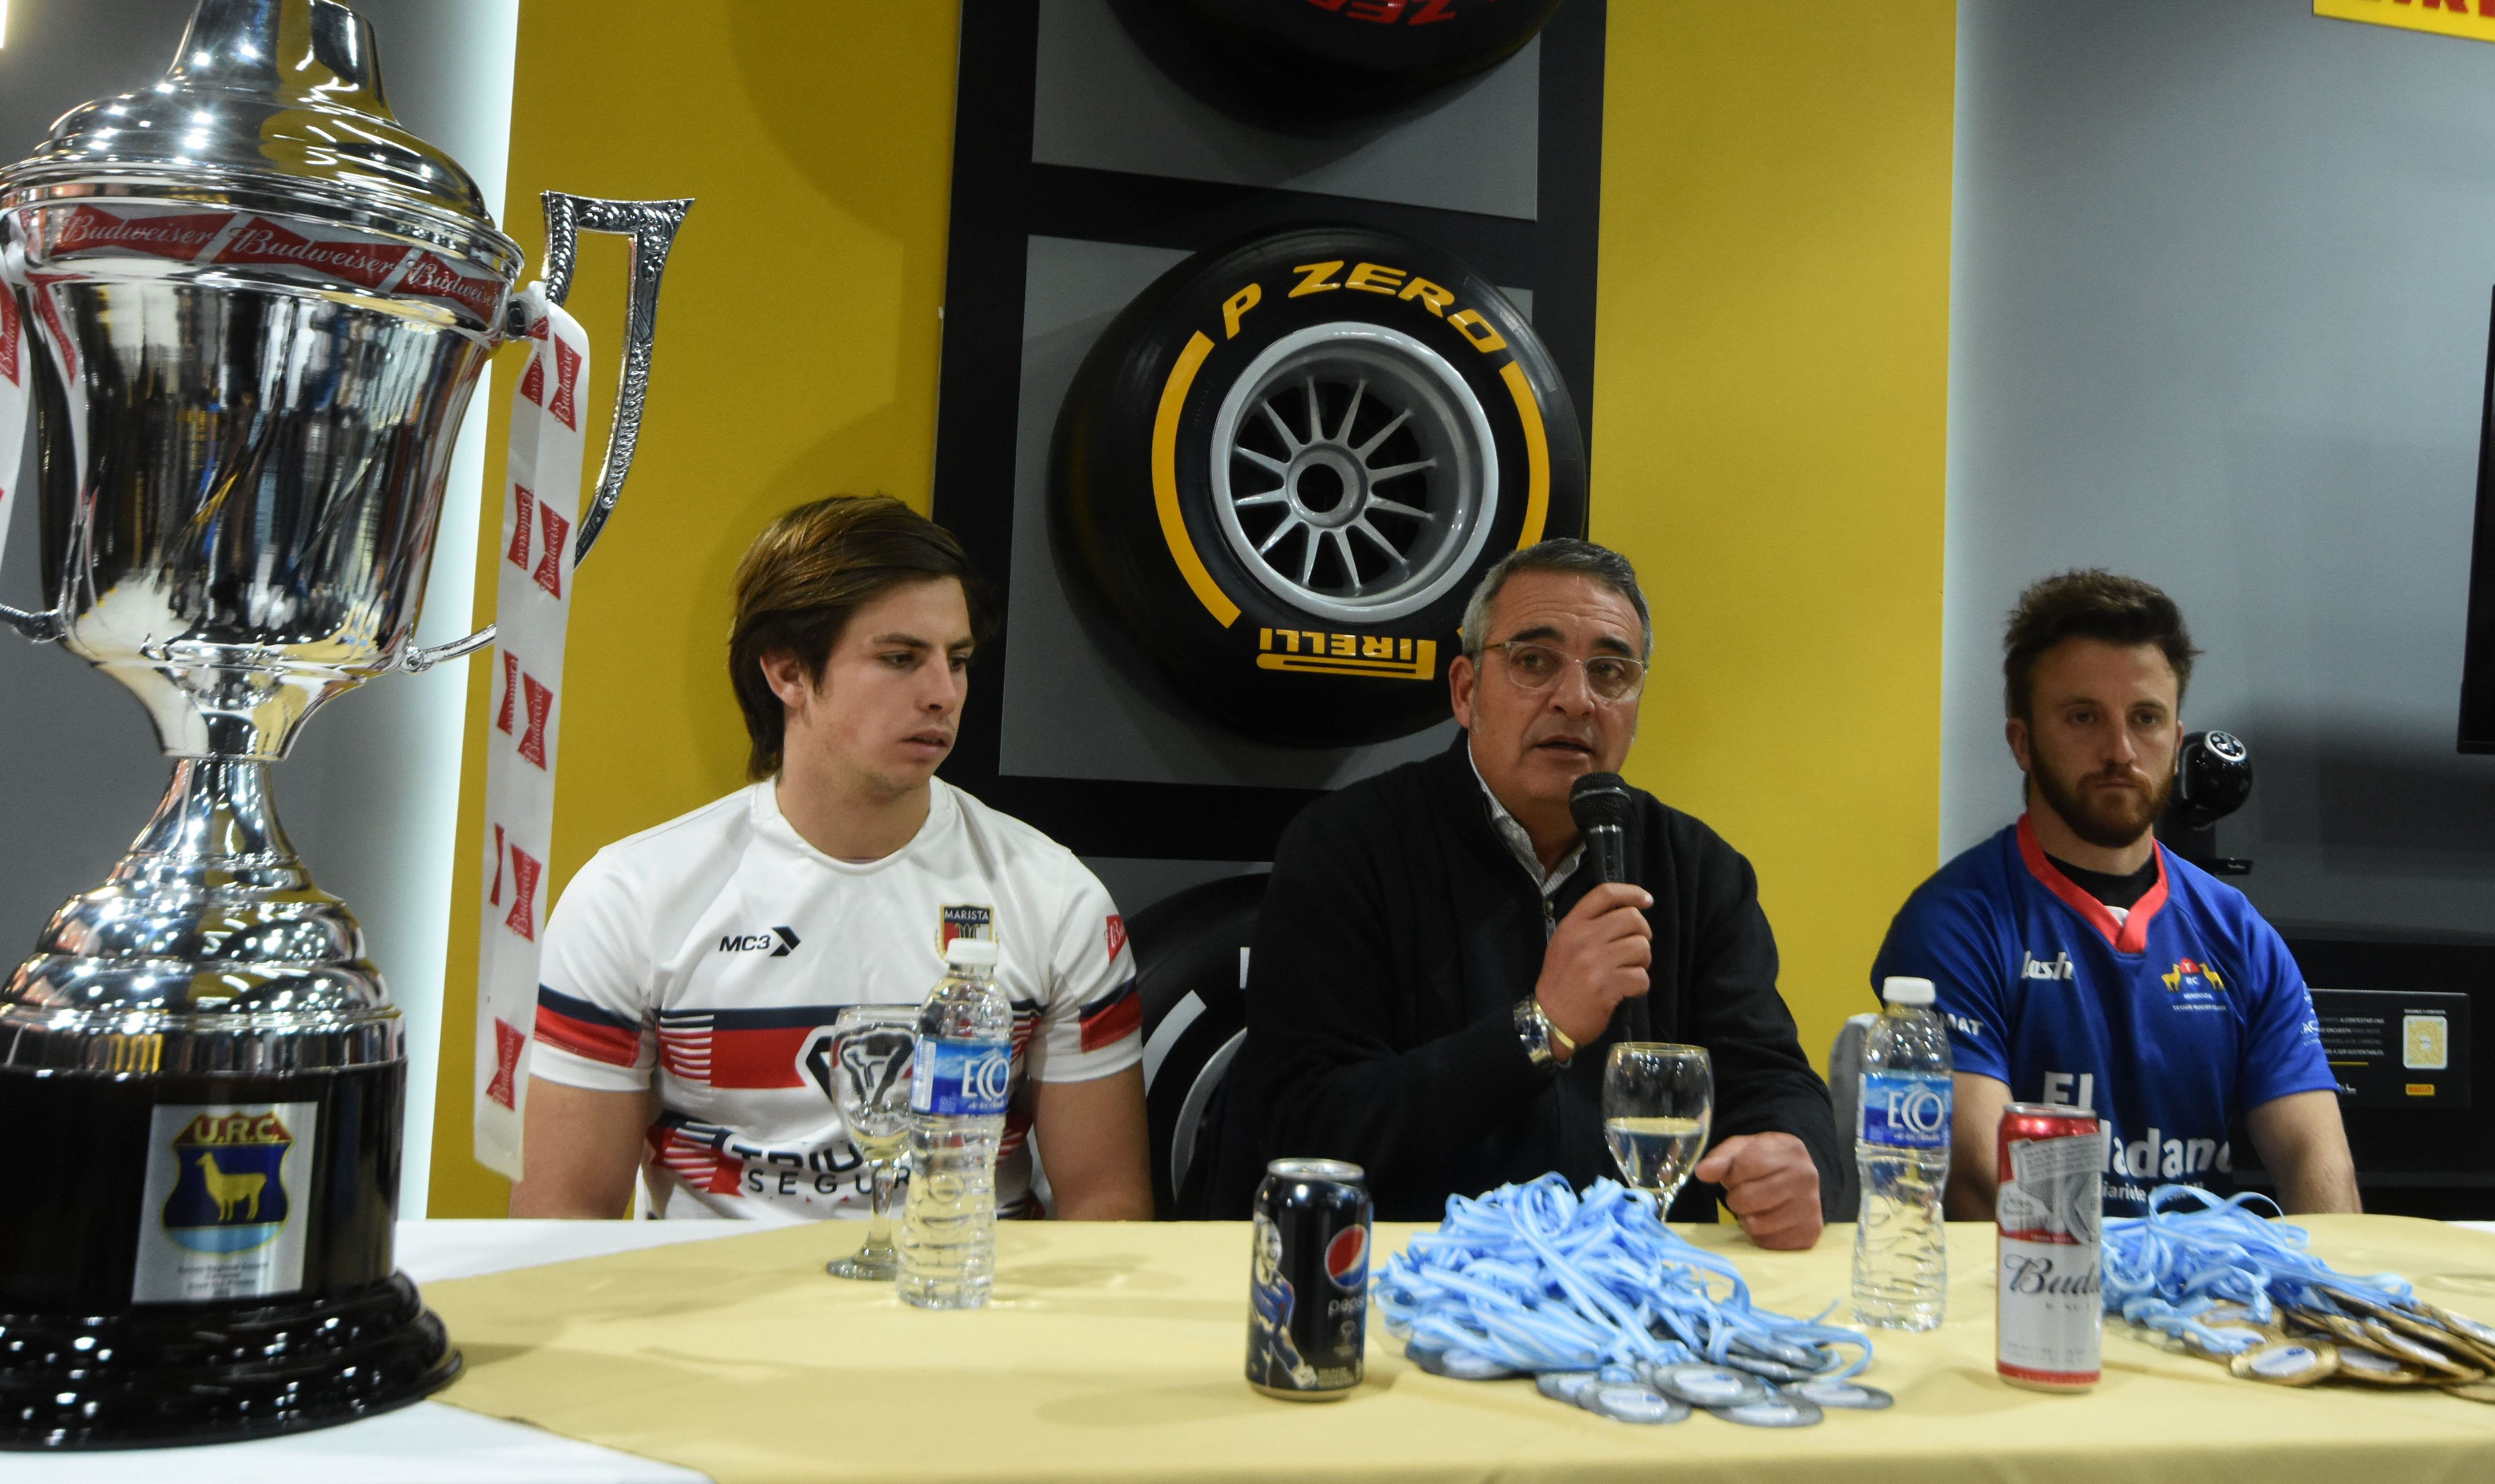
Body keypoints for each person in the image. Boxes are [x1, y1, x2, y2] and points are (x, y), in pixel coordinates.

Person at [510, 495, 1153, 1221]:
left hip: (967, 1309)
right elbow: (560, 1219)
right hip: (721, 1317)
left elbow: (1107, 1208)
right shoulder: (628, 898)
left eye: (959, 660)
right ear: (787, 672)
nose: (944, 694)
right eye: (900, 658)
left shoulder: (1056, 896)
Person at [1210, 540, 1841, 1247]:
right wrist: (1539, 1030)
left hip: (1634, 1292)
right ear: (1465, 691)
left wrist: (1796, 1156)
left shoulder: (1696, 869)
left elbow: (1774, 1081)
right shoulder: (1347, 849)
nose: (1576, 700)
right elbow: (1307, 1123)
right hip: (1407, 1284)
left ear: (1634, 704)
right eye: (1534, 661)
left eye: (1611, 672)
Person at [1869, 569, 2358, 1218]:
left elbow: (2318, 1162)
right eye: (2083, 717)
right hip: (2030, 1301)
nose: (2121, 750)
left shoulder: (2237, 932)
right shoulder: (1953, 925)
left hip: (2204, 1308)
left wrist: (2328, 1294)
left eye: (2146, 718)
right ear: (2023, 741)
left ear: (2176, 741)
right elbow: (1981, 1176)